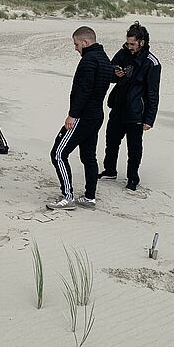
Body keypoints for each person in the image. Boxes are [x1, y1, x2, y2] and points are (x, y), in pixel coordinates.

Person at [47, 26, 114, 210]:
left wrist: (72, 115)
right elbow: (108, 79)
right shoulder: (104, 58)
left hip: (83, 116)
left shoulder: (89, 60)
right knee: (88, 157)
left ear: (85, 42)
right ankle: (89, 197)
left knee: (58, 154)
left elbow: (84, 90)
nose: (75, 48)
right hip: (96, 115)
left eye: (76, 44)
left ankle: (67, 196)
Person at [99, 21, 161, 191]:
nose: (129, 46)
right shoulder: (123, 53)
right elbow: (110, 72)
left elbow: (153, 94)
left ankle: (133, 178)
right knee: (111, 140)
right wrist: (115, 73)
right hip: (118, 106)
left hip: (136, 112)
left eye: (132, 43)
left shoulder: (152, 63)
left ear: (142, 42)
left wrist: (149, 119)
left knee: (134, 147)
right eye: (128, 43)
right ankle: (110, 170)